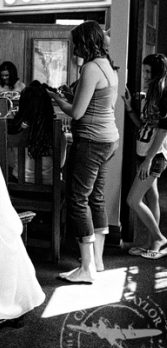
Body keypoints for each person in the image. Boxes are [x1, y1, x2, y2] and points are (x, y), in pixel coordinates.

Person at [48, 21, 119, 284]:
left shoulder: (90, 68)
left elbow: (77, 113)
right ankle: (97, 261)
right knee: (96, 198)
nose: (74, 46)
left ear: (86, 42)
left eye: (77, 41)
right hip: (109, 139)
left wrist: (58, 99)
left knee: (78, 199)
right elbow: (100, 104)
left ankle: (86, 268)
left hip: (91, 141)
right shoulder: (108, 67)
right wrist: (73, 93)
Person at [122, 53, 167, 260]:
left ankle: (158, 238)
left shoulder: (164, 94)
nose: (145, 75)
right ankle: (152, 243)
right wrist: (130, 109)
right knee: (152, 197)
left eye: (149, 72)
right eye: (144, 71)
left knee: (133, 200)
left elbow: (162, 131)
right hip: (145, 153)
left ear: (158, 73)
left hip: (154, 157)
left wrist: (148, 160)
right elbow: (145, 128)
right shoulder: (152, 94)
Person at [8, 80, 67, 185]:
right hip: (50, 190)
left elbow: (10, 162)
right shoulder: (56, 133)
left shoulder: (14, 130)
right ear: (47, 106)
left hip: (19, 188)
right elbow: (60, 163)